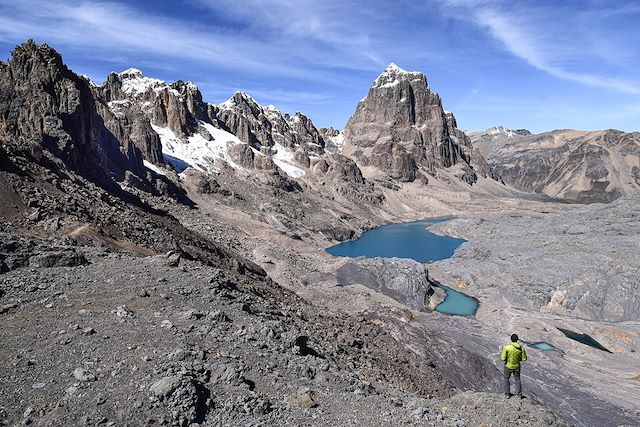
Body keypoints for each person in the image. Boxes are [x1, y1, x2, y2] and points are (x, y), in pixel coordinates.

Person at [501, 334, 527, 398]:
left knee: (506, 379)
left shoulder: (506, 347)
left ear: (511, 339)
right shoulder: (521, 348)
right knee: (517, 380)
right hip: (517, 366)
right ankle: (519, 395)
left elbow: (503, 358)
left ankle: (507, 394)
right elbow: (524, 358)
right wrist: (518, 359)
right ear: (517, 339)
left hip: (508, 366)